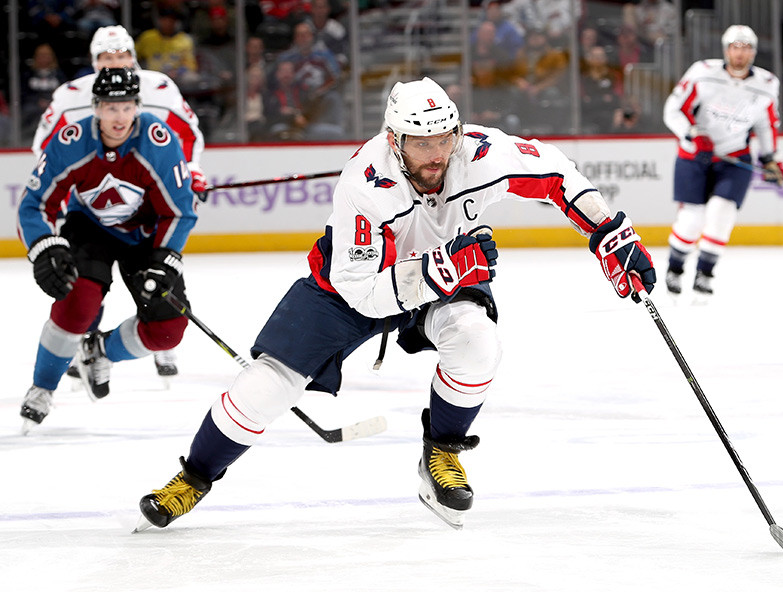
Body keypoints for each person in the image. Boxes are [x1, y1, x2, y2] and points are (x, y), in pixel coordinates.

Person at [135, 77, 656, 531]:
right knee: (264, 386)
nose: (436, 153)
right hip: (352, 287)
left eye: (443, 138)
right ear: (394, 139)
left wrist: (609, 233)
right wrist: (443, 268)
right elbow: (363, 290)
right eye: (421, 142)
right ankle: (194, 477)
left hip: (448, 271)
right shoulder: (367, 181)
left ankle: (442, 452)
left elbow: (559, 175)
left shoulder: (478, 153)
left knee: (478, 342)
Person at [18, 67, 196, 434]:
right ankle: (42, 388)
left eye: (127, 106)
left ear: (138, 107)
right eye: (111, 108)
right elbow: (33, 204)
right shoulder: (70, 140)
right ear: (96, 108)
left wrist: (165, 260)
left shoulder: (159, 143)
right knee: (76, 307)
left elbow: (180, 211)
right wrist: (43, 246)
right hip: (89, 230)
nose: (119, 117)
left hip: (145, 238)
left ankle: (100, 351)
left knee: (168, 328)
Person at [33, 25, 208, 377]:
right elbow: (45, 149)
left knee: (161, 276)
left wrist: (190, 171)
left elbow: (188, 133)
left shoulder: (159, 86)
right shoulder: (70, 95)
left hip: (149, 206)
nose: (116, 62)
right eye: (106, 57)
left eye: (123, 55)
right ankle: (89, 343)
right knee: (83, 293)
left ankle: (154, 342)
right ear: (94, 62)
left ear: (134, 57)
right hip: (95, 208)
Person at [662, 25, 783, 298]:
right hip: (694, 155)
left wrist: (770, 159)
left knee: (722, 212)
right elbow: (672, 110)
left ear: (753, 52)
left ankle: (705, 273)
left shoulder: (766, 84)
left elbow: (767, 125)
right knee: (692, 218)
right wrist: (692, 134)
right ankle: (675, 268)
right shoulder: (702, 72)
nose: (740, 53)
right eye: (735, 47)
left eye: (746, 48)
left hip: (733, 157)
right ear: (726, 49)